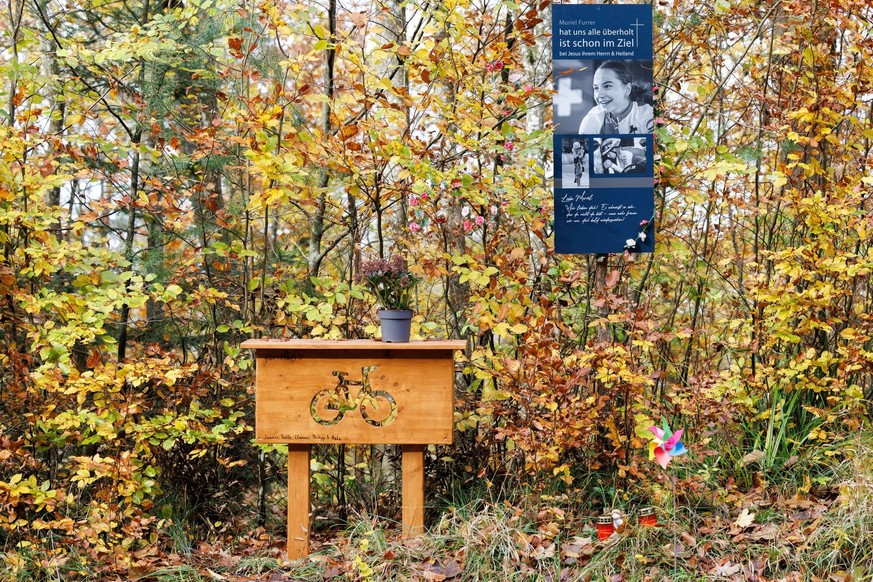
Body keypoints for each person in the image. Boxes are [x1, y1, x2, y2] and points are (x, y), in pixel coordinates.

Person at [578, 61, 653, 135]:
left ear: (627, 90)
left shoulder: (648, 117)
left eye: (607, 86)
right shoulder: (593, 118)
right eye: (596, 88)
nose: (599, 95)